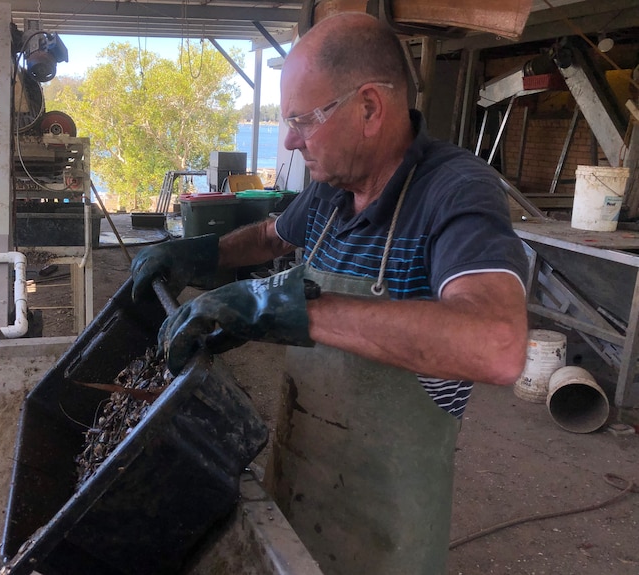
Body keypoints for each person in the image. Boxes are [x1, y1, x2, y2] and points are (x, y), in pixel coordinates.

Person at [131, 12, 528, 575]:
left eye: (302, 120)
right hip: (296, 474)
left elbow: (497, 345)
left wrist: (296, 309)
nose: (291, 139)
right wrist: (199, 254)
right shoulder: (330, 186)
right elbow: (272, 235)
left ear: (369, 108)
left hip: (386, 524)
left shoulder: (455, 192)